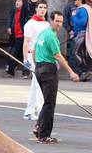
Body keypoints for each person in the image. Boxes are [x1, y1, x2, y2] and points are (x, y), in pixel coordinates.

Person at [33, 11, 80, 143]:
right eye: (57, 21)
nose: (59, 24)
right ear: (51, 21)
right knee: (50, 104)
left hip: (40, 68)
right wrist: (71, 72)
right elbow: (58, 56)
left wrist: (36, 65)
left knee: (47, 102)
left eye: (61, 21)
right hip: (48, 70)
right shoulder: (51, 36)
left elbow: (36, 50)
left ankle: (38, 126)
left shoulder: (44, 33)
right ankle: (44, 135)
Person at [22, 0, 50, 120]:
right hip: (32, 56)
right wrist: (25, 60)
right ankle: (40, 111)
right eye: (40, 7)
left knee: (36, 84)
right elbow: (26, 42)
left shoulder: (47, 25)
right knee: (39, 84)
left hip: (43, 56)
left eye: (44, 7)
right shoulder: (30, 23)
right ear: (36, 9)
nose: (42, 9)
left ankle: (29, 111)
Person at [70, 0, 92, 81]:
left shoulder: (82, 10)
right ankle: (83, 72)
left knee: (75, 53)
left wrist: (74, 17)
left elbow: (82, 22)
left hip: (81, 34)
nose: (74, 1)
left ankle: (84, 71)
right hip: (82, 34)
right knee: (81, 54)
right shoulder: (85, 9)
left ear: (80, 0)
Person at [4, 0, 27, 77]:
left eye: (19, 1)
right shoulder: (15, 10)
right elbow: (11, 18)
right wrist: (9, 27)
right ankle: (11, 71)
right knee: (14, 53)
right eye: (16, 1)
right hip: (14, 34)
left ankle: (14, 72)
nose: (17, 2)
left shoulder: (25, 12)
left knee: (17, 54)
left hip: (22, 35)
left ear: (23, 3)